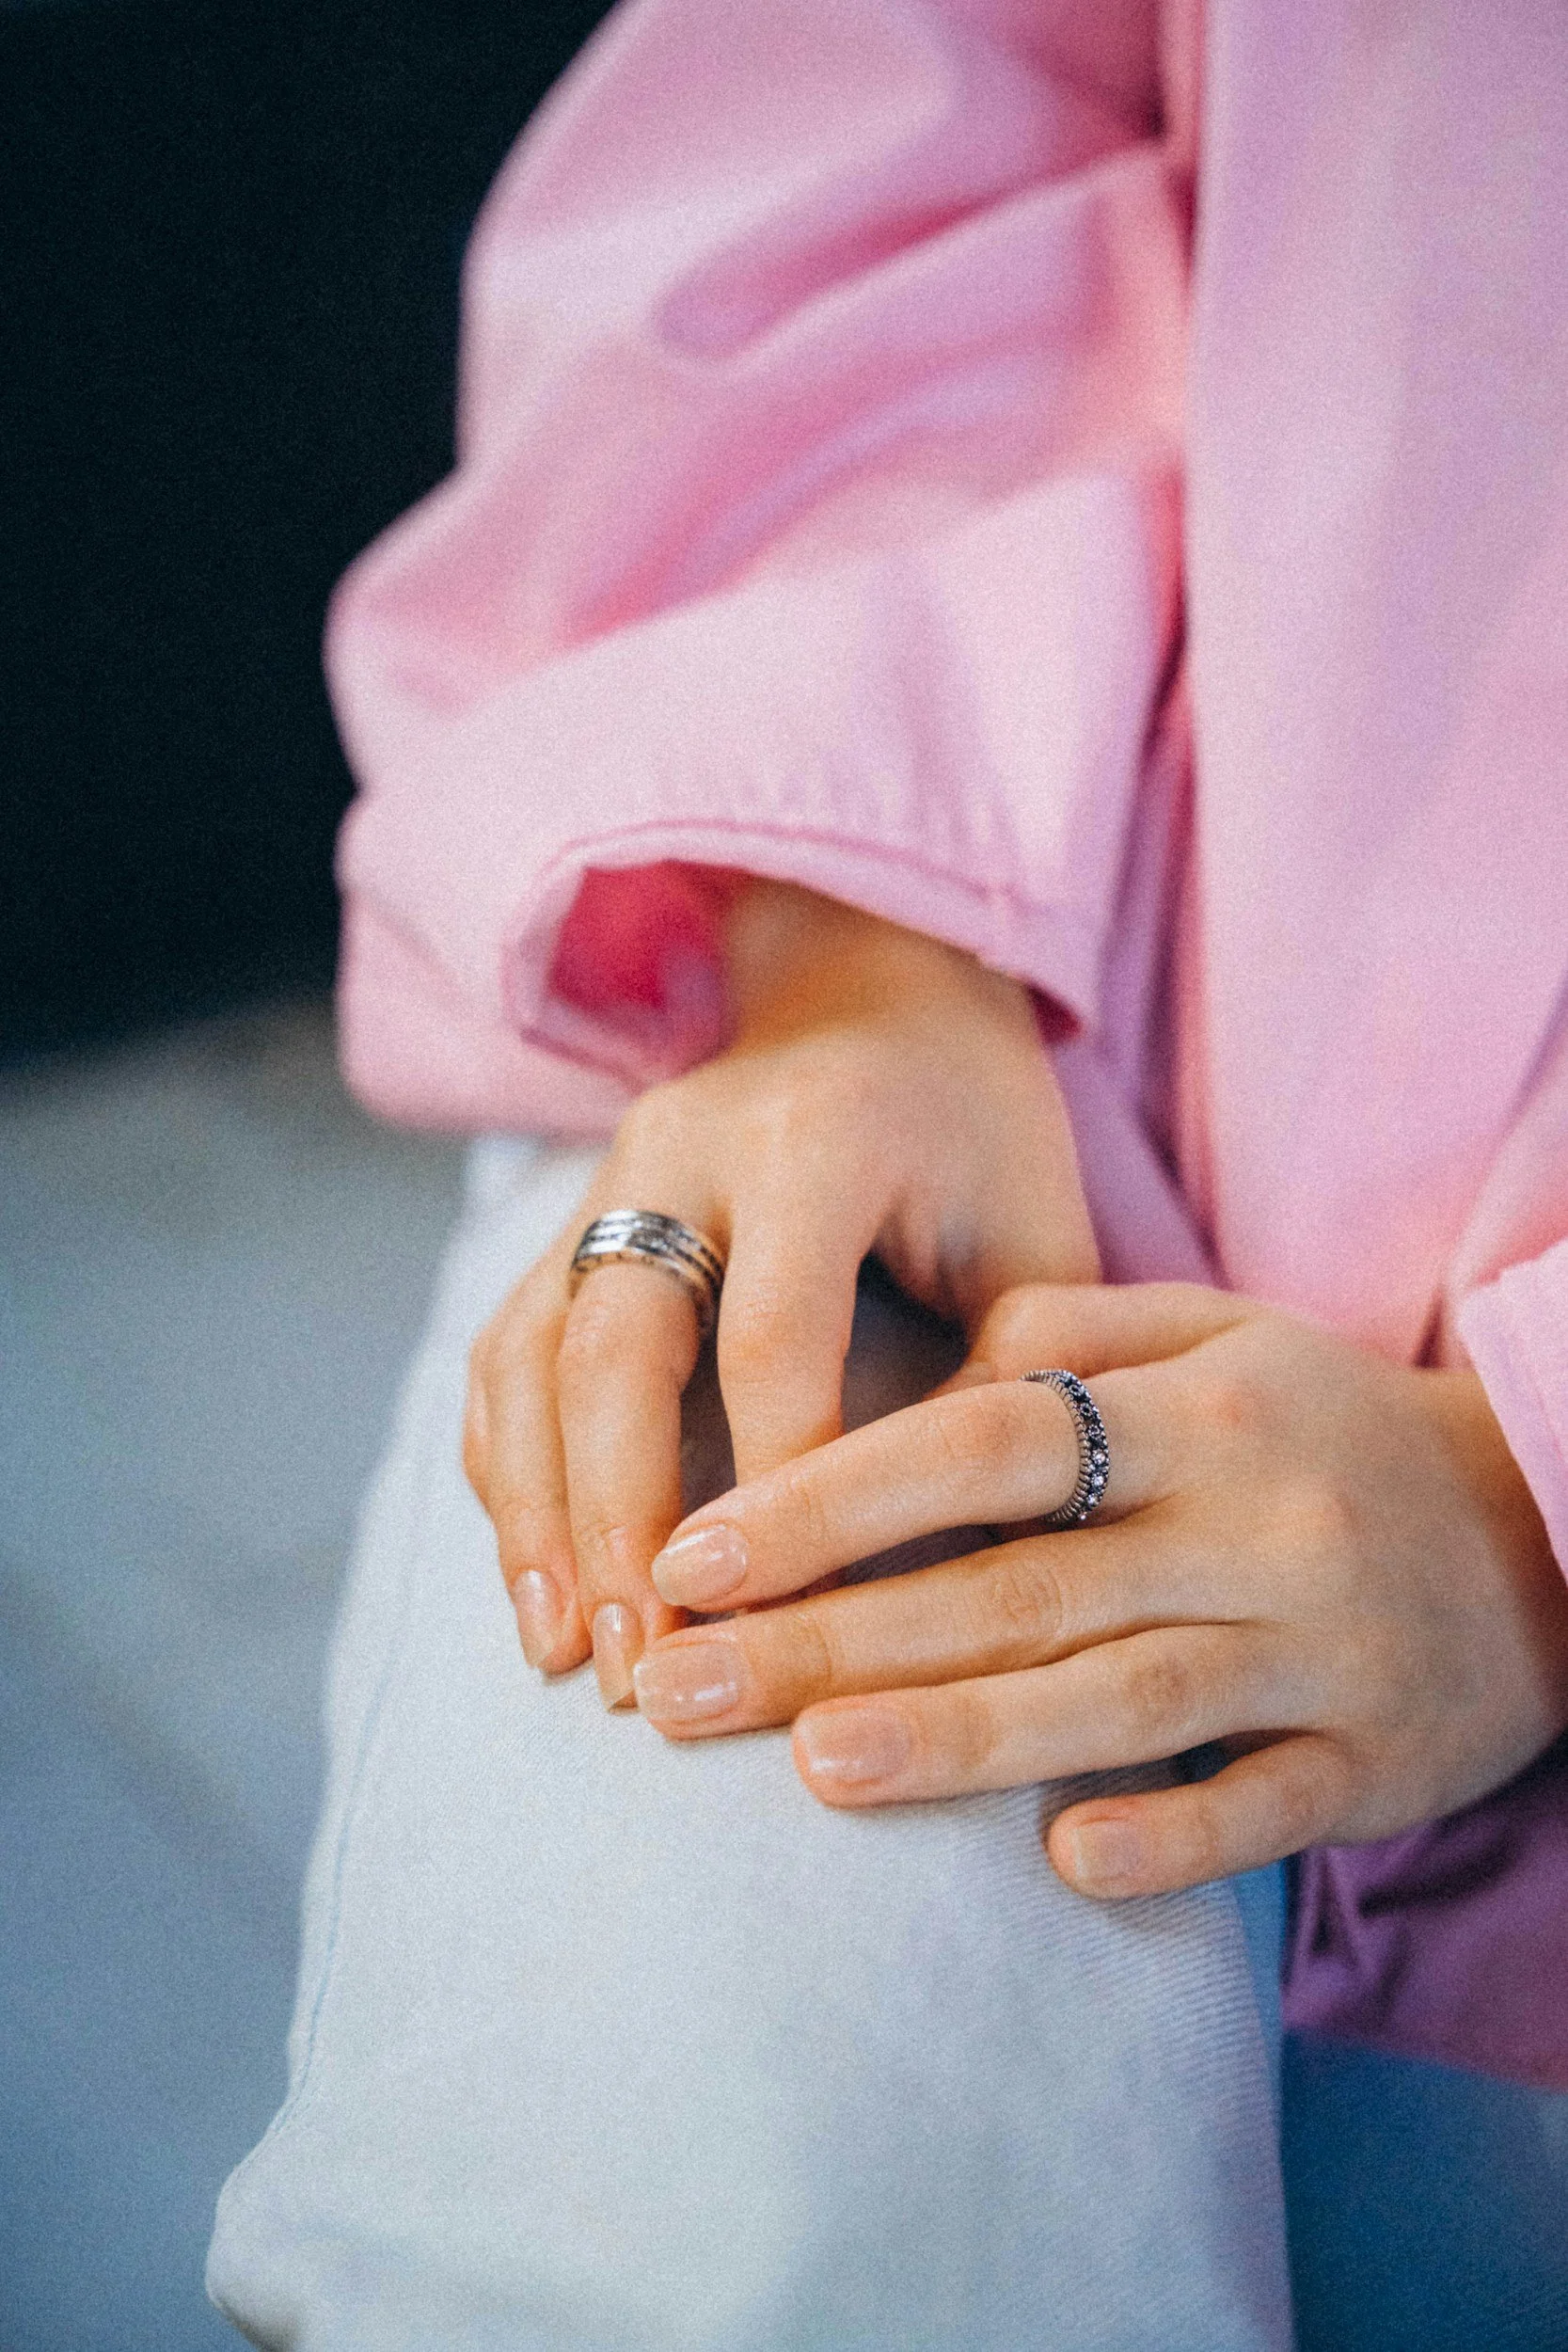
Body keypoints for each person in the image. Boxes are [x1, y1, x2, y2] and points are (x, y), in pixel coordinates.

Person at [209, 1, 1568, 2343]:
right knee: (686, 2229)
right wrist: (856, 934)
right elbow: (864, 109)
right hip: (1018, 1036)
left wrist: (1529, 1497)